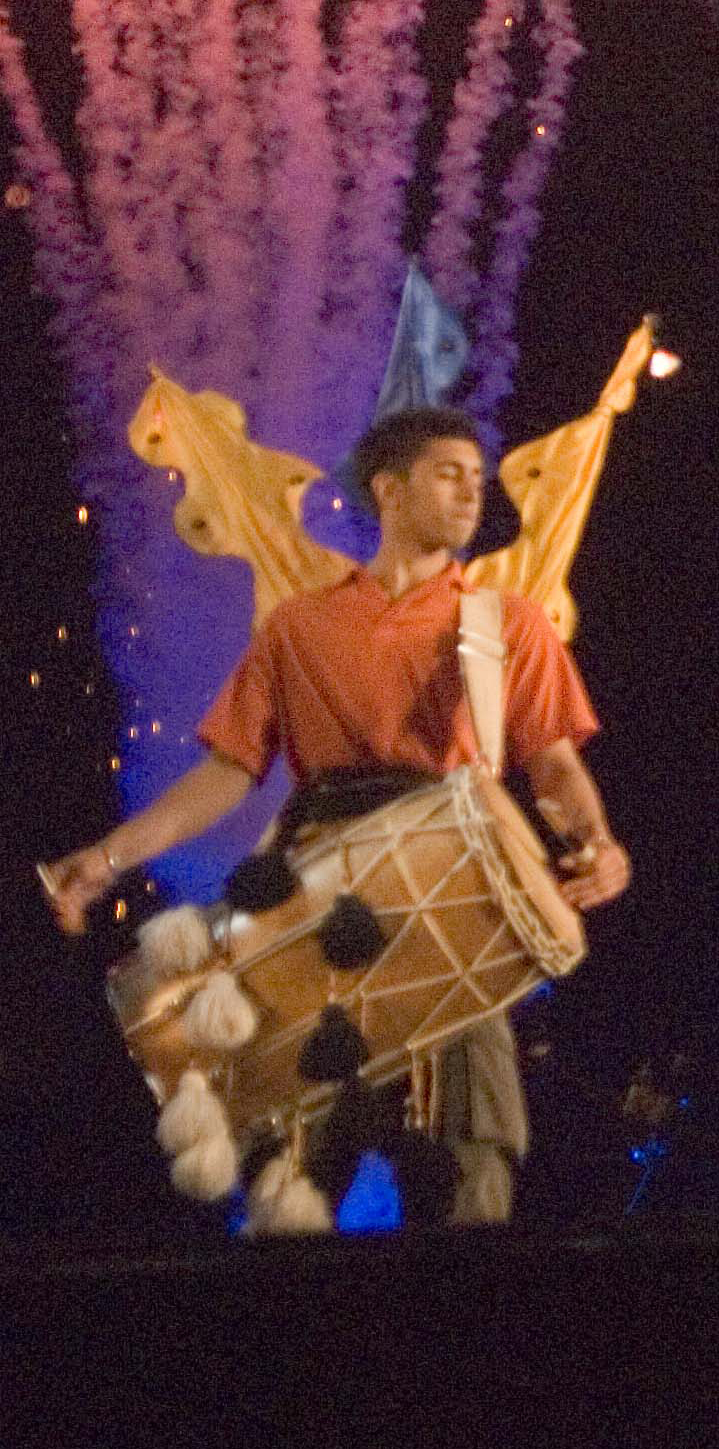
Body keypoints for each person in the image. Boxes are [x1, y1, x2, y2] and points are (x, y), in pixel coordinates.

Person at [41, 407, 626, 1222]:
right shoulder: (299, 625)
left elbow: (555, 768)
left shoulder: (505, 624)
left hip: (456, 908)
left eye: (477, 478)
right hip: (317, 898)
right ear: (388, 488)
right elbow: (225, 775)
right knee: (290, 1168)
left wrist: (596, 841)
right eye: (448, 474)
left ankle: (470, 1347)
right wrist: (109, 856)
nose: (471, 493)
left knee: (472, 1166)